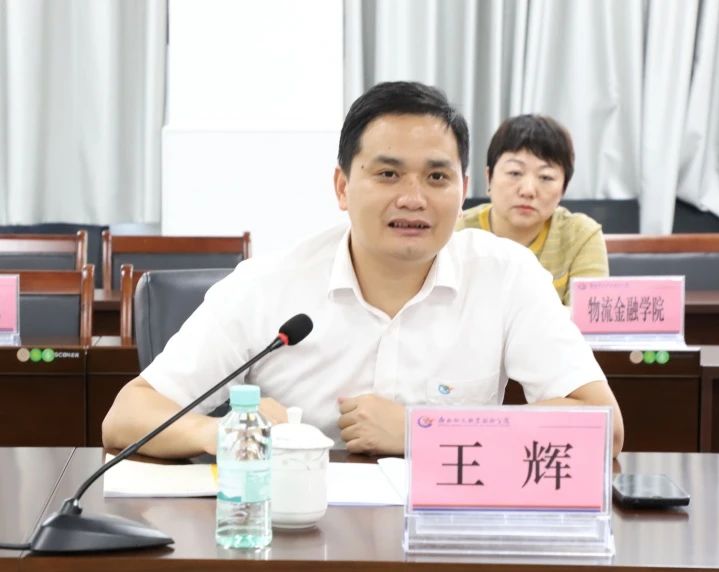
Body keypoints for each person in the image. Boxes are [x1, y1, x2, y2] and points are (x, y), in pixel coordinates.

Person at [102, 82, 624, 459]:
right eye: (388, 174)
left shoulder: (506, 275)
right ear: (343, 187)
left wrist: (423, 431)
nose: (413, 198)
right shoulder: (267, 285)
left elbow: (604, 426)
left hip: (451, 541)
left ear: (464, 189)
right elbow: (127, 415)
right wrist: (227, 433)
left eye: (437, 177)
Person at [457, 114, 608, 305]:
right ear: (489, 177)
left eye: (545, 177)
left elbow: (588, 316)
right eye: (515, 173)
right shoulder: (457, 231)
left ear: (564, 188)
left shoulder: (580, 236)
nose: (528, 191)